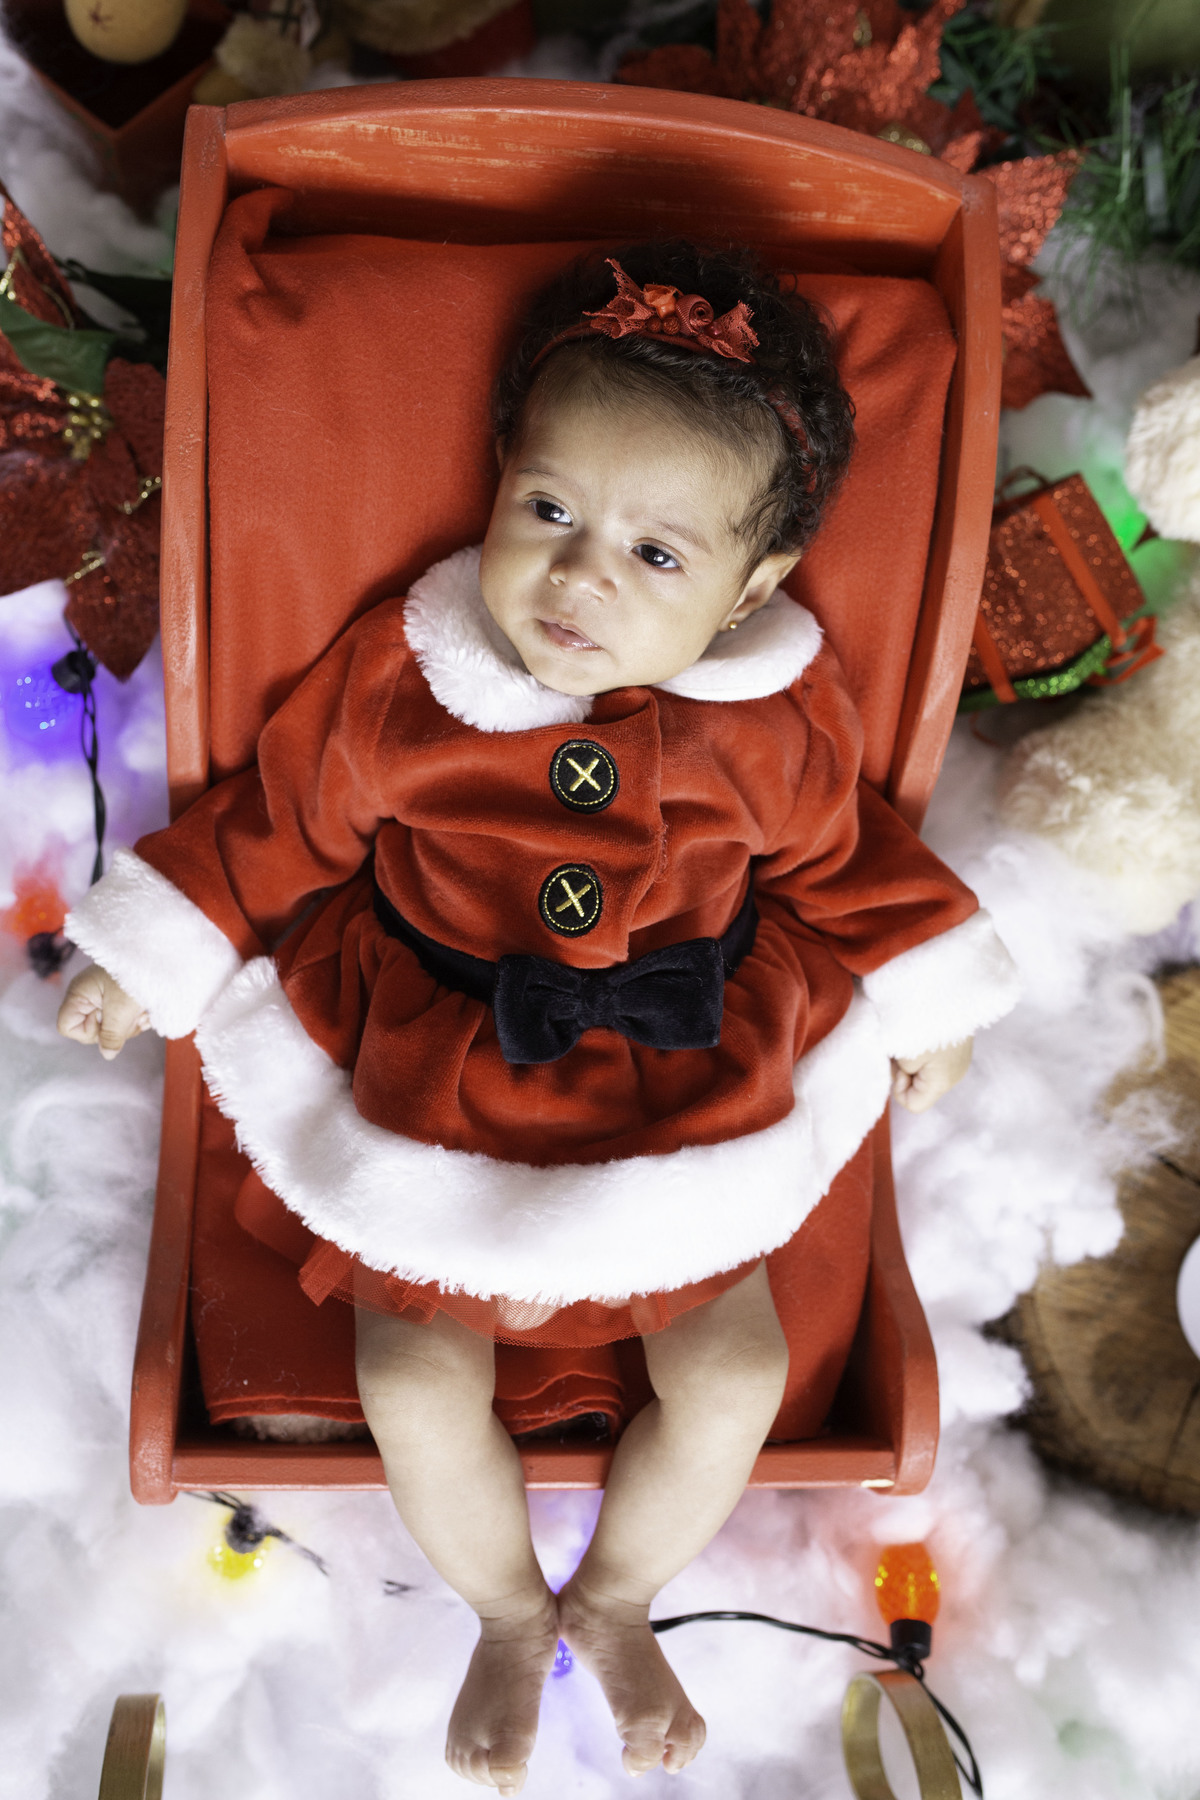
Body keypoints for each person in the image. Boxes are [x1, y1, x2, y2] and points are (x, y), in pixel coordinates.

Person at [58, 242, 1018, 1793]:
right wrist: (156, 946)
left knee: (730, 1372)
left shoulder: (770, 721)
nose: (579, 580)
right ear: (500, 479)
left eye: (657, 555)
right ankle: (508, 1610)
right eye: (550, 512)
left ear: (749, 594)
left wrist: (930, 984)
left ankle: (620, 1595)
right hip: (445, 1064)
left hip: (682, 1081)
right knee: (408, 1371)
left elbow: (851, 858)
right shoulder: (411, 680)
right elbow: (276, 825)